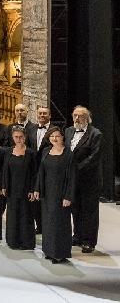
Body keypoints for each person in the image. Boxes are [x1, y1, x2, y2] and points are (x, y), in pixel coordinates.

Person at [34, 126, 75, 263]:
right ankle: (49, 251)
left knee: (60, 224)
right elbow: (41, 172)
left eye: (57, 136)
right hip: (47, 194)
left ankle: (60, 253)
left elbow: (72, 177)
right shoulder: (46, 151)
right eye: (52, 136)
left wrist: (68, 196)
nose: (54, 138)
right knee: (48, 223)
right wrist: (37, 189)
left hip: (61, 194)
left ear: (63, 137)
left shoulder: (68, 153)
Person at [66, 105, 103, 254]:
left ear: (87, 118)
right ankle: (78, 236)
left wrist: (76, 169)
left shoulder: (95, 134)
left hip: (89, 180)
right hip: (73, 179)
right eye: (75, 115)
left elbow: (94, 157)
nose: (77, 118)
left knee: (89, 211)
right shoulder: (68, 131)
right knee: (76, 208)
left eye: (80, 116)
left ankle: (89, 241)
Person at [1, 126, 37, 250]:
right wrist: (4, 185)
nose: (18, 139)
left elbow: (34, 173)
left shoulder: (31, 153)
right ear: (12, 137)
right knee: (12, 215)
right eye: (16, 137)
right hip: (12, 189)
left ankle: (26, 242)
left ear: (25, 137)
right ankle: (13, 241)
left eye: (21, 137)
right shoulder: (8, 151)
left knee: (26, 215)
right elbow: (5, 170)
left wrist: (33, 190)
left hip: (26, 189)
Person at [26, 106, 51, 233]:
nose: (42, 115)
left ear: (49, 116)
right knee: (35, 199)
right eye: (40, 113)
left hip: (48, 170)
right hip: (34, 169)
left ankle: (47, 226)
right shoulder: (31, 129)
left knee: (46, 199)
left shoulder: (55, 131)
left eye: (45, 113)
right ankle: (39, 226)